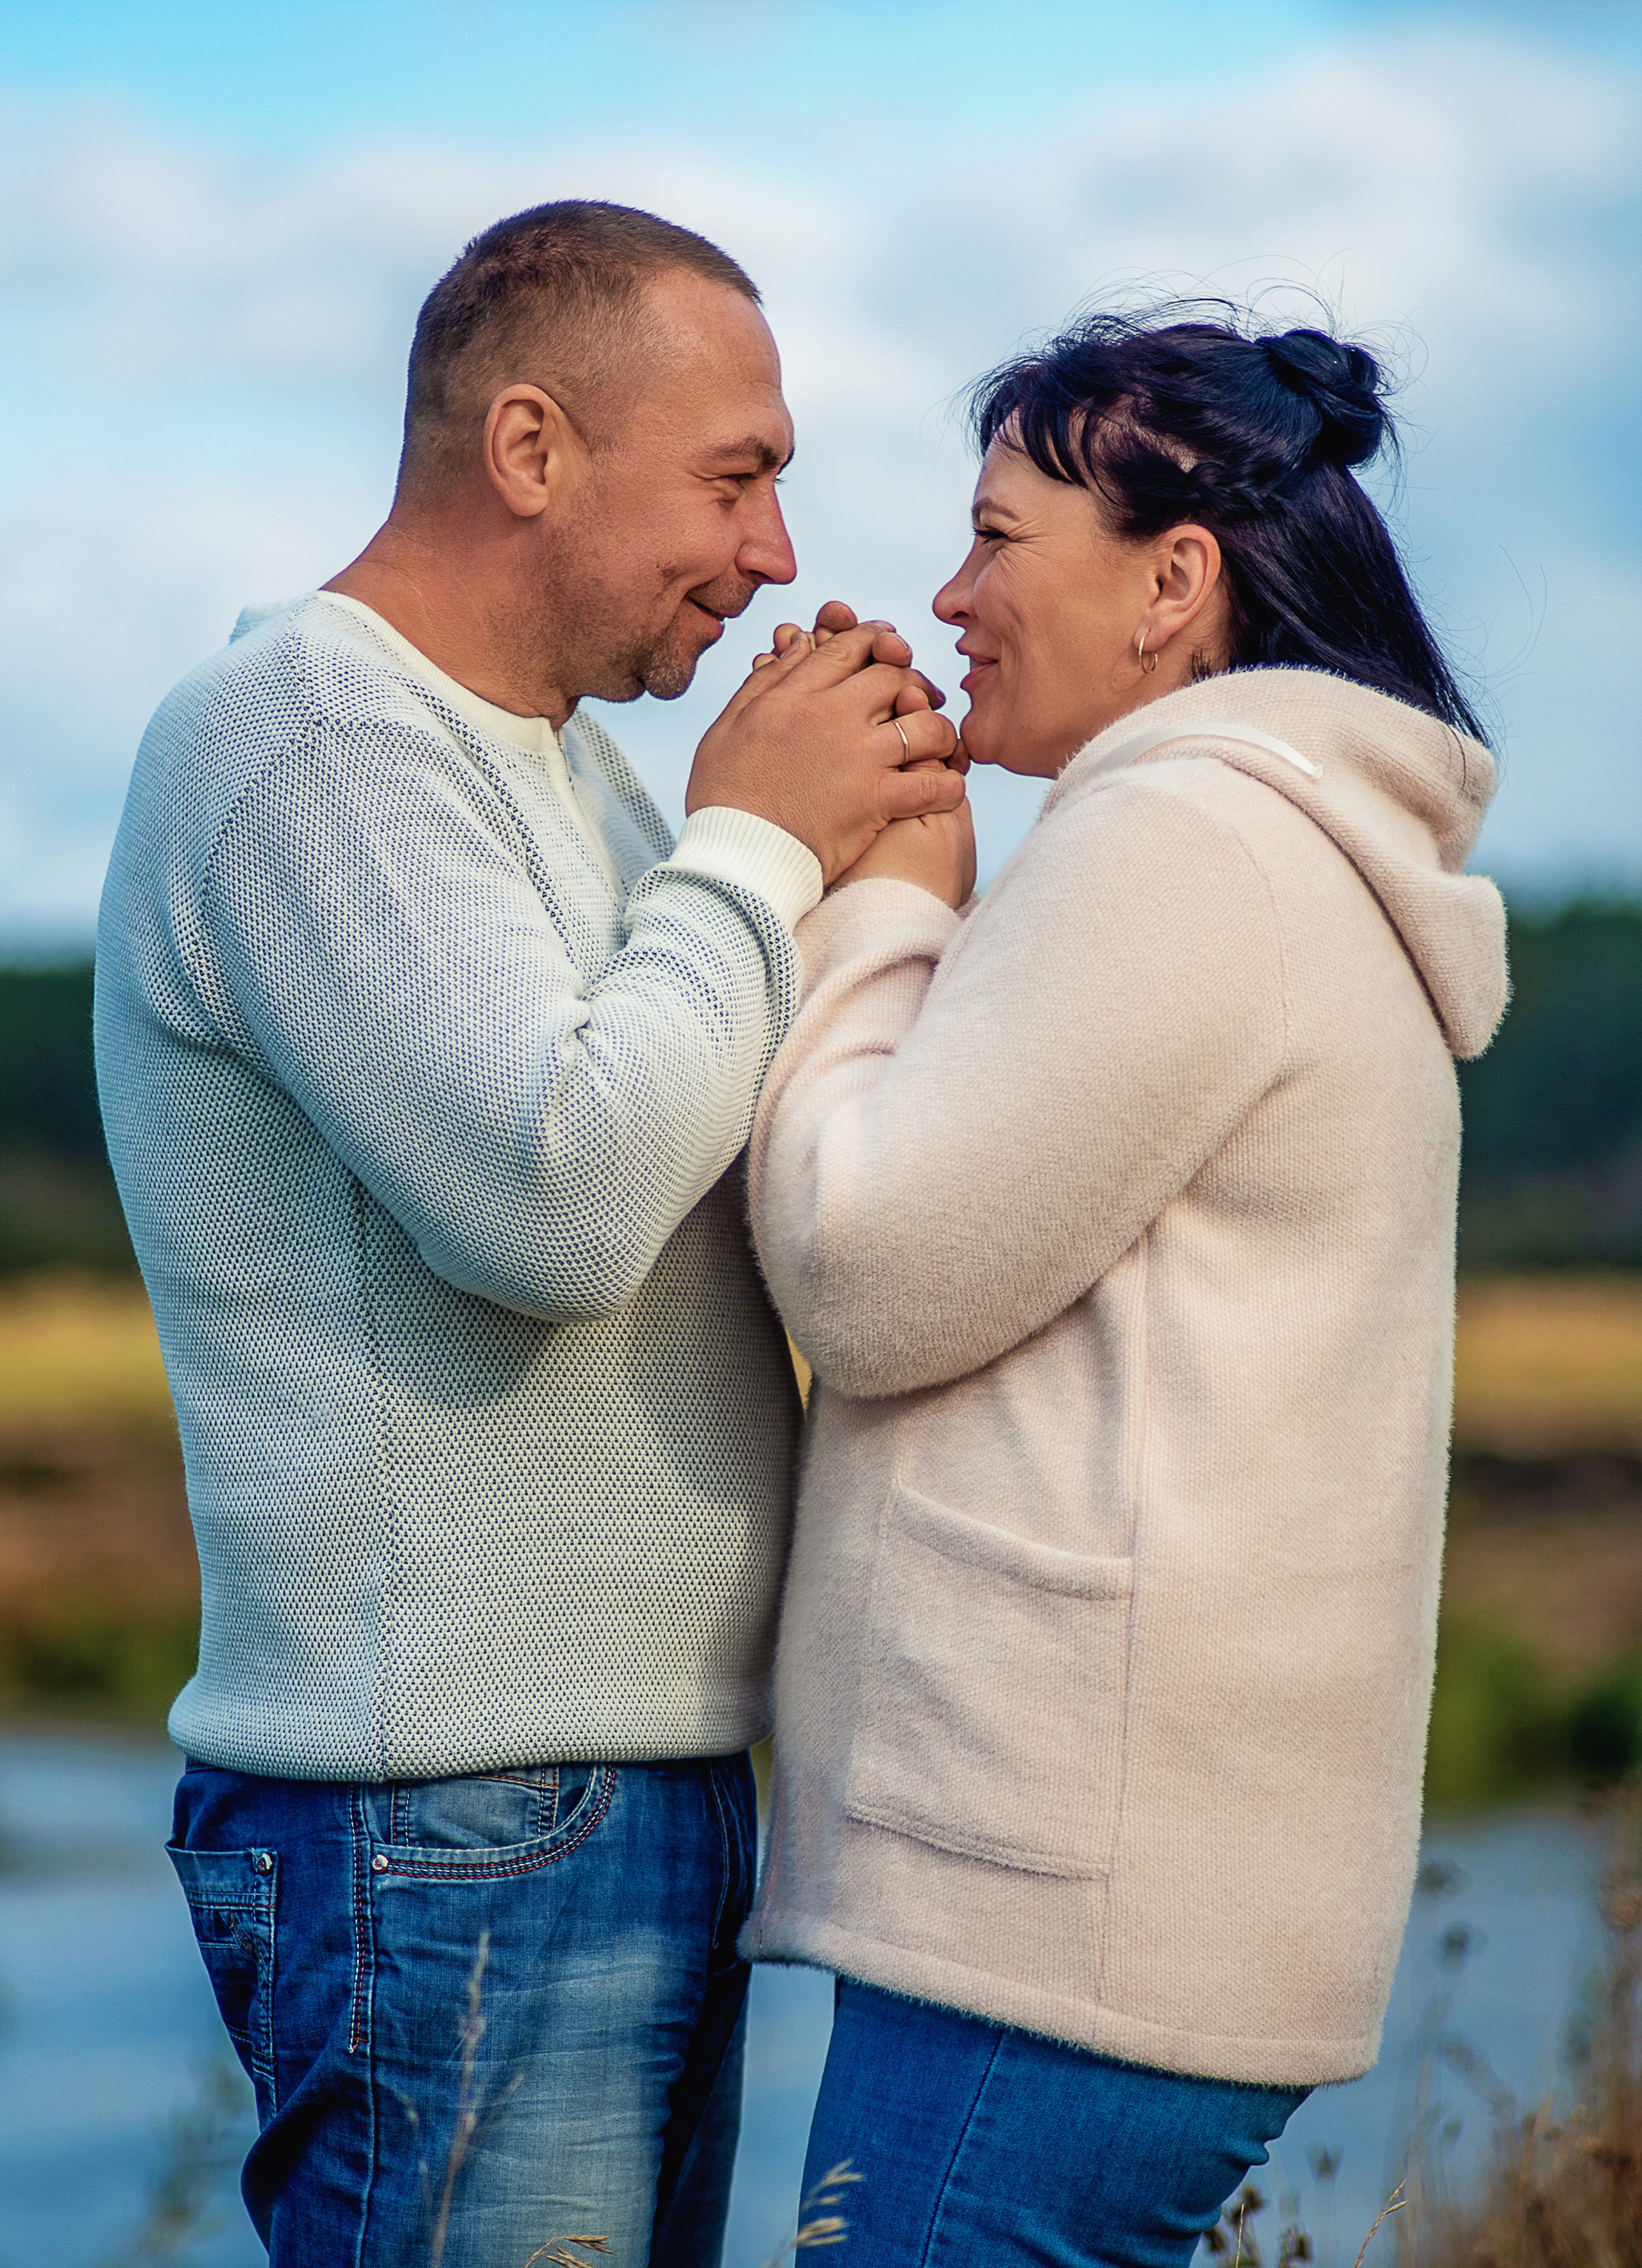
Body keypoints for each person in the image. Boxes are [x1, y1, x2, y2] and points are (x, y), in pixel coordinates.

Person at [92, 199, 963, 2268]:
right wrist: (760, 829)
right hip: (451, 1817)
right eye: (736, 477)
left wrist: (881, 864)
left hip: (611, 1792)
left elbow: (707, 1130)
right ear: (533, 447)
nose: (771, 553)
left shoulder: (577, 782)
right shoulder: (305, 737)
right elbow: (554, 1196)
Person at [742, 310, 1509, 2265]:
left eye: (999, 534)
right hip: (1131, 1911)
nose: (949, 589)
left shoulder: (1185, 838)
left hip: (1058, 1927)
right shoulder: (1271, 840)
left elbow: (868, 1266)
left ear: (1177, 583)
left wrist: (890, 903)